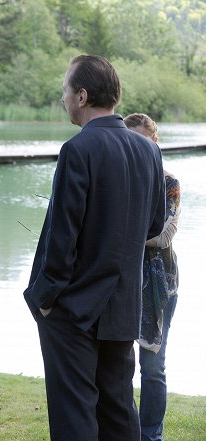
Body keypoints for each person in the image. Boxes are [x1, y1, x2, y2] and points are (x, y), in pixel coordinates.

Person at [23, 55, 165, 441]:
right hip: (122, 305)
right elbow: (154, 225)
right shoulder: (150, 150)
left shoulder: (78, 149)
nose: (63, 98)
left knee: (75, 415)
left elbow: (62, 236)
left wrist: (45, 298)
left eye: (65, 91)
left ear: (82, 96)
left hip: (73, 307)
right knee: (118, 410)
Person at [124, 113, 180, 441]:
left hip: (161, 287)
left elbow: (165, 234)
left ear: (155, 143)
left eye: (143, 141)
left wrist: (121, 234)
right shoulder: (117, 181)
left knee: (152, 368)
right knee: (118, 366)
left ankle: (151, 436)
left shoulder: (169, 182)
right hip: (122, 283)